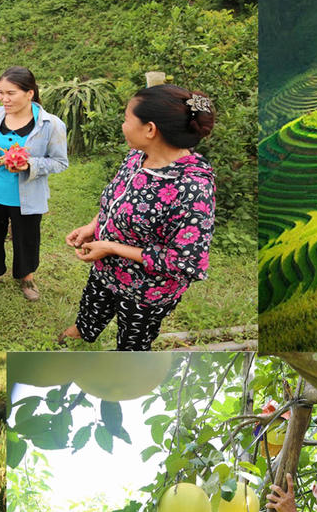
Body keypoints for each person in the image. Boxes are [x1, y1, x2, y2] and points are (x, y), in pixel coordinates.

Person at [60, 84, 216, 351]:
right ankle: (83, 331)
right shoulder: (137, 157)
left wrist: (111, 247)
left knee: (132, 344)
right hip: (106, 270)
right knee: (92, 307)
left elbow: (186, 263)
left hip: (146, 292)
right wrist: (93, 226)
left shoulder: (192, 188)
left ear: (150, 129)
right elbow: (119, 199)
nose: (123, 125)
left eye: (126, 118)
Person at [0, 67, 69, 301]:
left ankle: (26, 277)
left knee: (26, 237)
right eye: (1, 93)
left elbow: (60, 162)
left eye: (11, 93)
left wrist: (29, 165)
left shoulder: (51, 124)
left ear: (29, 93)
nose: (4, 99)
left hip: (27, 195)